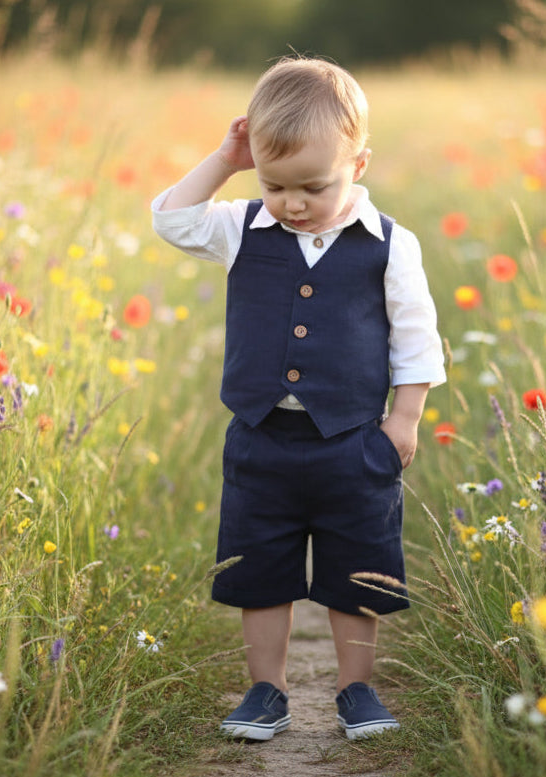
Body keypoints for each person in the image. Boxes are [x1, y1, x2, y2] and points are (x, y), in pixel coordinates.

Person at [151, 56, 446, 741]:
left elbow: (417, 338)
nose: (292, 203)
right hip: (261, 439)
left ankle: (356, 689)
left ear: (359, 164)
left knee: (357, 570)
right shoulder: (240, 226)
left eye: (313, 187)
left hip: (352, 440)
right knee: (261, 569)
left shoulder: (390, 245)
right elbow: (169, 219)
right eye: (274, 183)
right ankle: (265, 690)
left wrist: (402, 420)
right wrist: (225, 160)